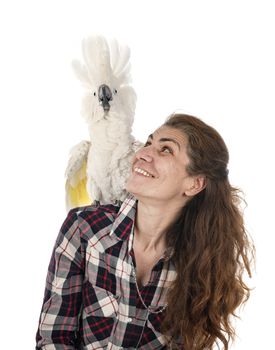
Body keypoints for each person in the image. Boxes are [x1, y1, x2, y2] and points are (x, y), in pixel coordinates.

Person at [36, 113, 254, 350]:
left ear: (194, 184)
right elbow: (53, 337)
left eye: (166, 150)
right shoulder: (85, 227)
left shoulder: (202, 261)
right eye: (149, 143)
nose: (142, 153)